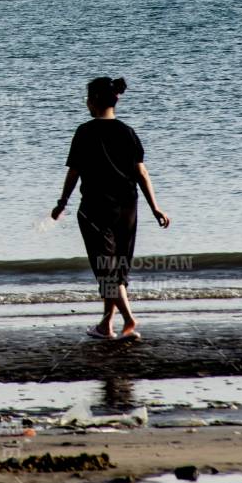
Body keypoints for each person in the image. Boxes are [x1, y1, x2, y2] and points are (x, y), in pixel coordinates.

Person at [51, 76, 170, 340]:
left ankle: (128, 320)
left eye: (86, 97)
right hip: (128, 207)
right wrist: (155, 207)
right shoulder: (127, 132)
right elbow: (142, 173)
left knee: (106, 269)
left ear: (93, 101)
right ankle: (106, 325)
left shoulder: (84, 132)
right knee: (116, 268)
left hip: (95, 208)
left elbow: (74, 172)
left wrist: (61, 203)